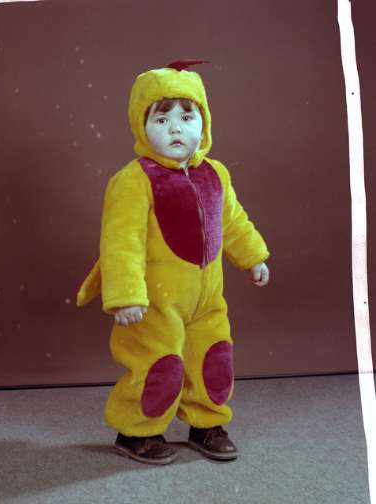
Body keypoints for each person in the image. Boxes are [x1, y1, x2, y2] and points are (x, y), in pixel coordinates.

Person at [76, 59, 270, 465]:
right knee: (158, 365)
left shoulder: (216, 173)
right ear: (141, 126)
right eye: (161, 120)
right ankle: (137, 432)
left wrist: (253, 256)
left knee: (213, 359)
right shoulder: (134, 179)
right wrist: (126, 296)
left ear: (204, 124)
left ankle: (206, 423)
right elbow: (120, 242)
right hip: (154, 302)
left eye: (187, 117)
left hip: (207, 299)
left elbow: (233, 221)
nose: (176, 129)